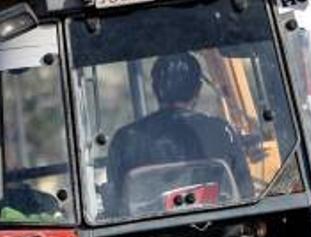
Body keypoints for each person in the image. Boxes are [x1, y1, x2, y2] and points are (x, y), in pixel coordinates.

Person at [106, 53, 254, 215]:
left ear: (155, 89)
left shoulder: (125, 139)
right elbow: (247, 195)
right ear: (198, 89)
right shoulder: (223, 131)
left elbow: (115, 206)